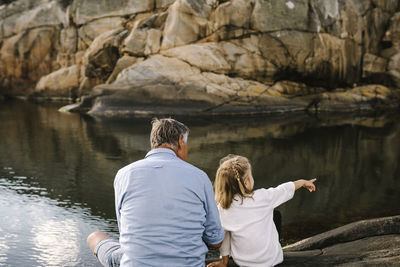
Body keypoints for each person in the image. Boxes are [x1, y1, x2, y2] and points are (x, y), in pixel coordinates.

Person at [87, 118, 225, 267]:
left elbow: (125, 231)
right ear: (180, 141)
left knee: (94, 237)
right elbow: (215, 240)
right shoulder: (199, 177)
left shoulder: (123, 174)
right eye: (186, 144)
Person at [207, 155, 317, 267]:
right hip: (272, 260)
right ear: (246, 182)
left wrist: (224, 261)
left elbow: (224, 237)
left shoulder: (222, 208)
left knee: (227, 230)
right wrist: (302, 182)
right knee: (275, 215)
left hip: (243, 262)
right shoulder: (262, 197)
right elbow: (283, 190)